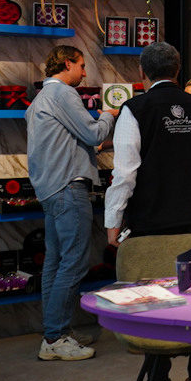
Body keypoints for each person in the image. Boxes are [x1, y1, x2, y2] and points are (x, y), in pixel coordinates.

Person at [104, 42, 191, 381]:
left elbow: (124, 174)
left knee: (154, 301)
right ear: (177, 71)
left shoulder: (135, 110)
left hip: (152, 223)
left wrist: (112, 221)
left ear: (142, 73)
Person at [26, 45, 118, 361]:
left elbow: (72, 140)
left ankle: (56, 331)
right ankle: (55, 337)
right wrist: (107, 115)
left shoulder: (40, 99)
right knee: (75, 262)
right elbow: (93, 134)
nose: (84, 73)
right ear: (67, 64)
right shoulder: (63, 93)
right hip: (68, 187)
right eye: (81, 66)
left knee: (55, 263)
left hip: (50, 189)